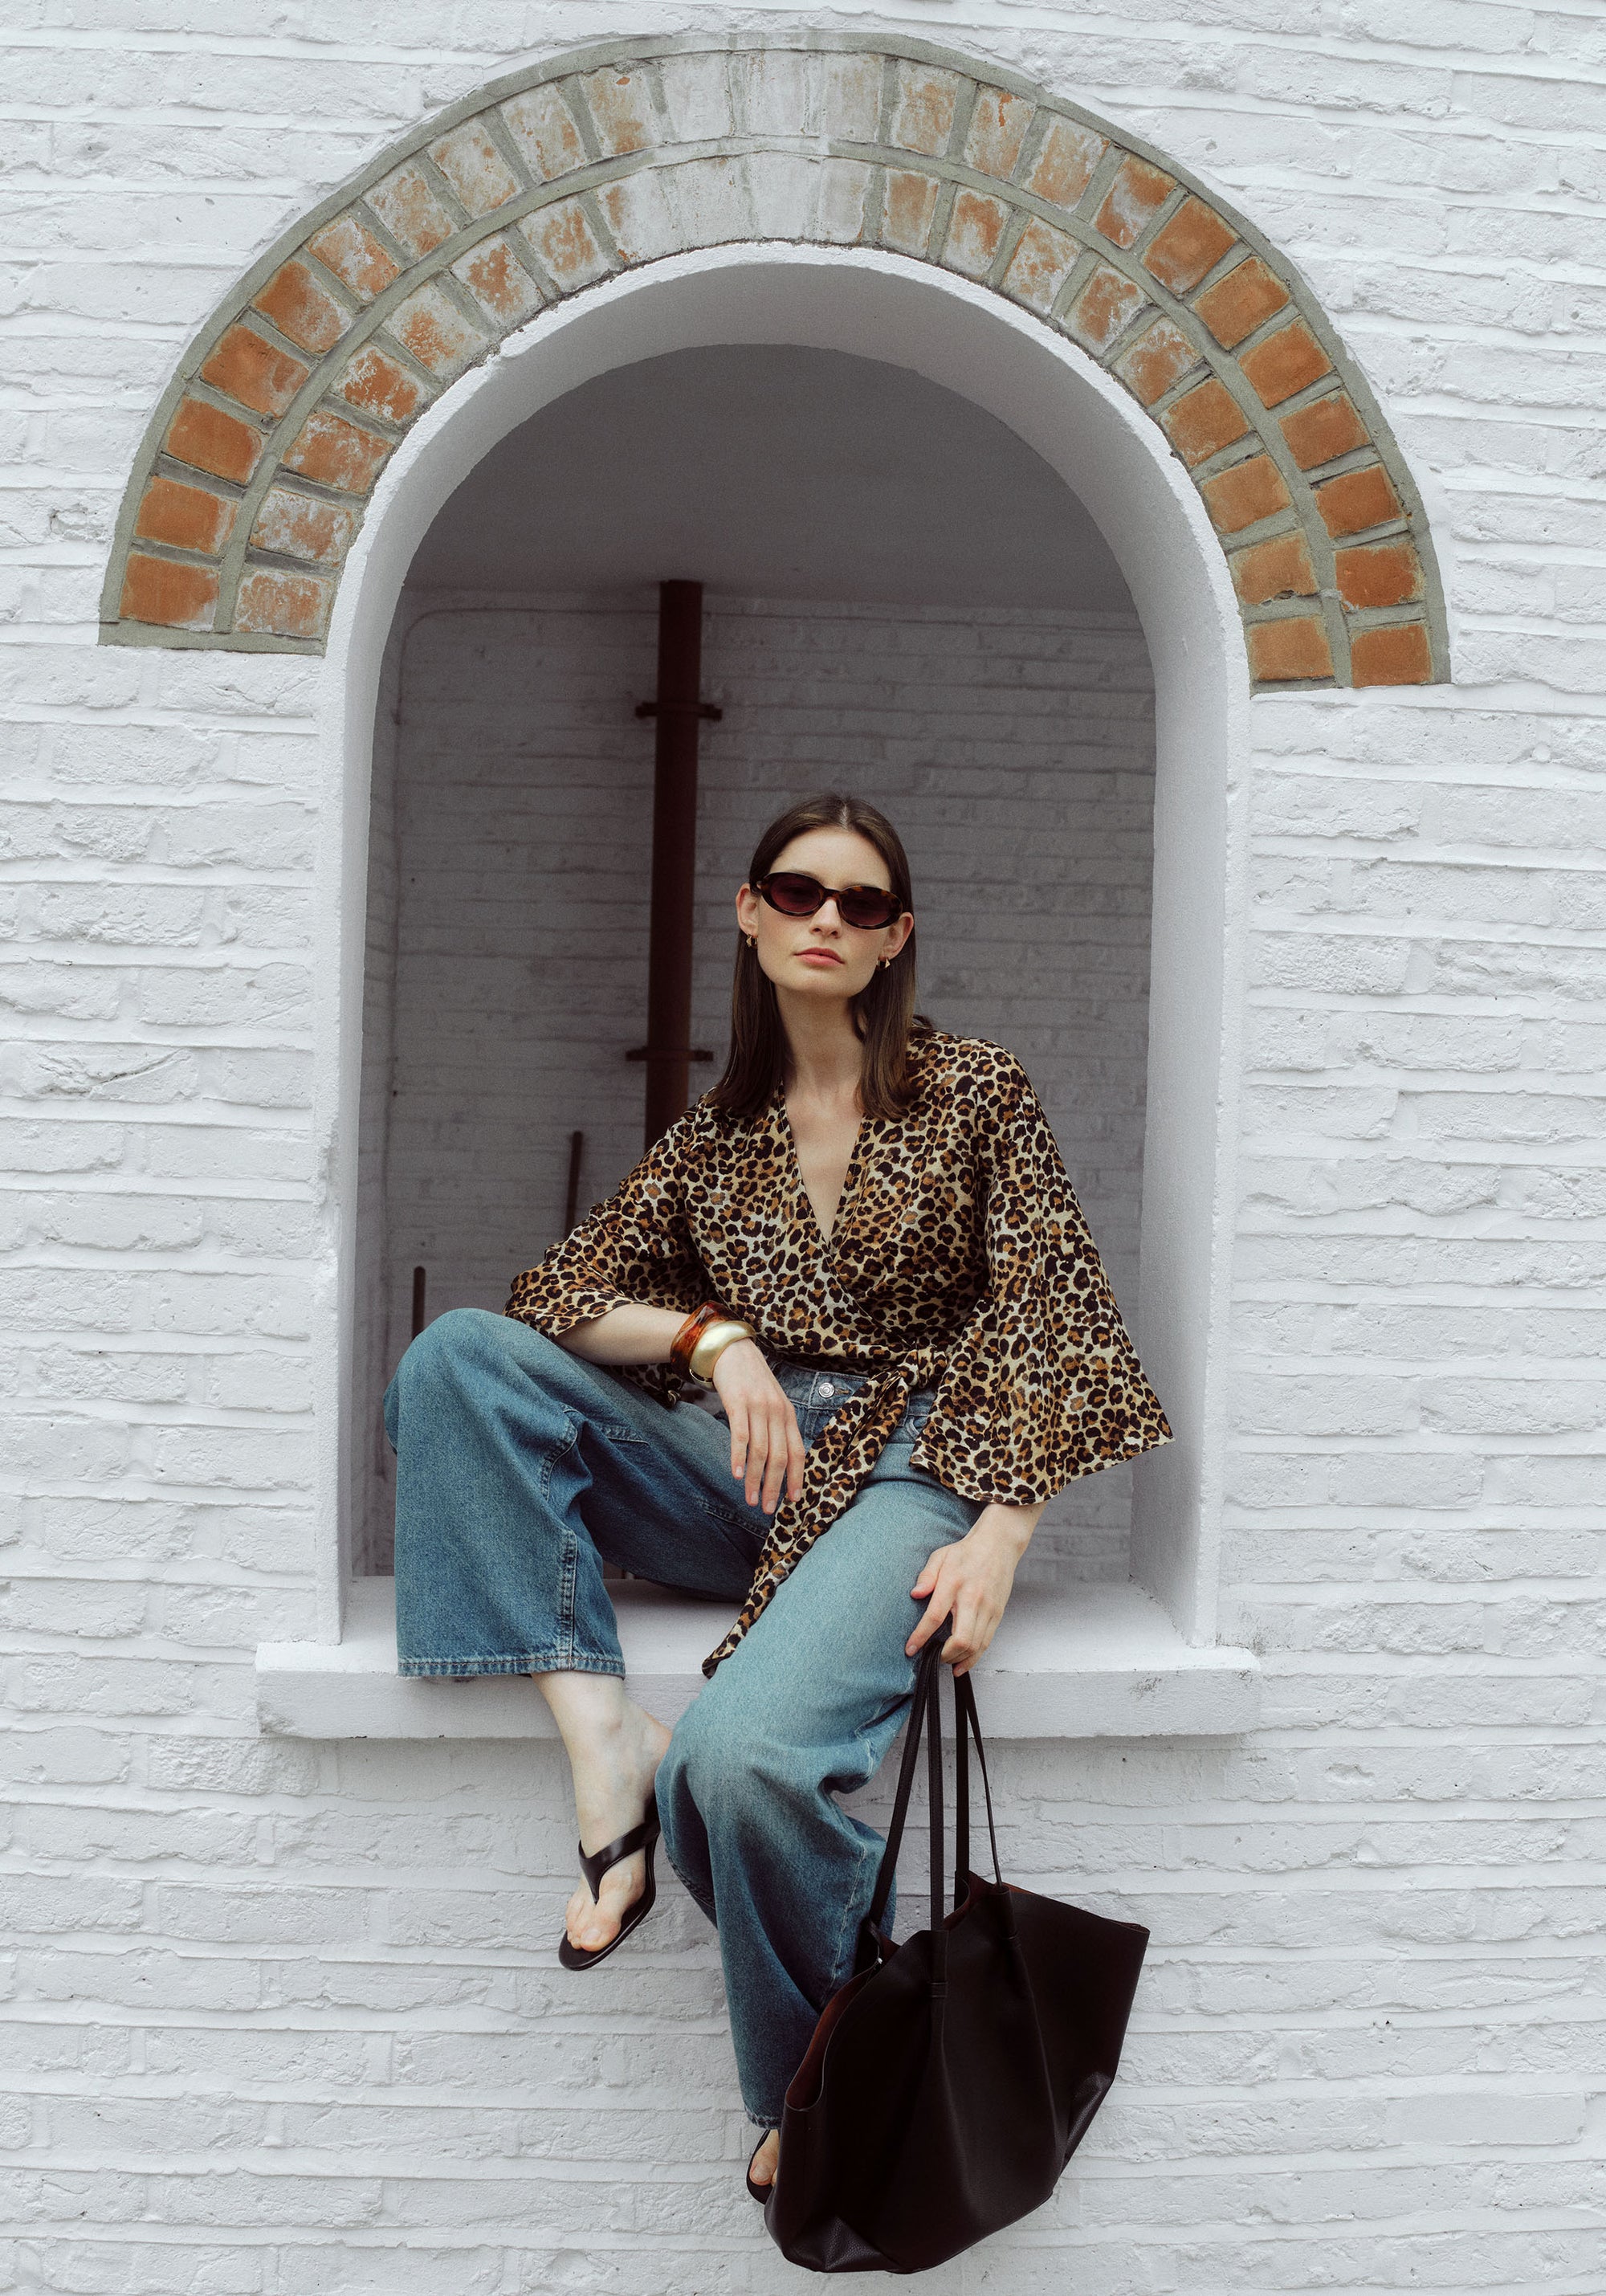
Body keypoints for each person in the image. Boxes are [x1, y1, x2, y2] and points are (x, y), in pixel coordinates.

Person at [384, 791, 1170, 2199]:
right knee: (457, 1365)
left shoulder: (974, 1092)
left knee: (741, 1766)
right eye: (798, 893)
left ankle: (814, 2072)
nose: (826, 920)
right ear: (749, 913)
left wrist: (1004, 1524)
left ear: (894, 940)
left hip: (918, 1466)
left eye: (861, 905)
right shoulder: (718, 1134)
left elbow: (1059, 1309)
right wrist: (711, 1339)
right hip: (750, 1469)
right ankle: (606, 1751)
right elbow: (559, 1296)